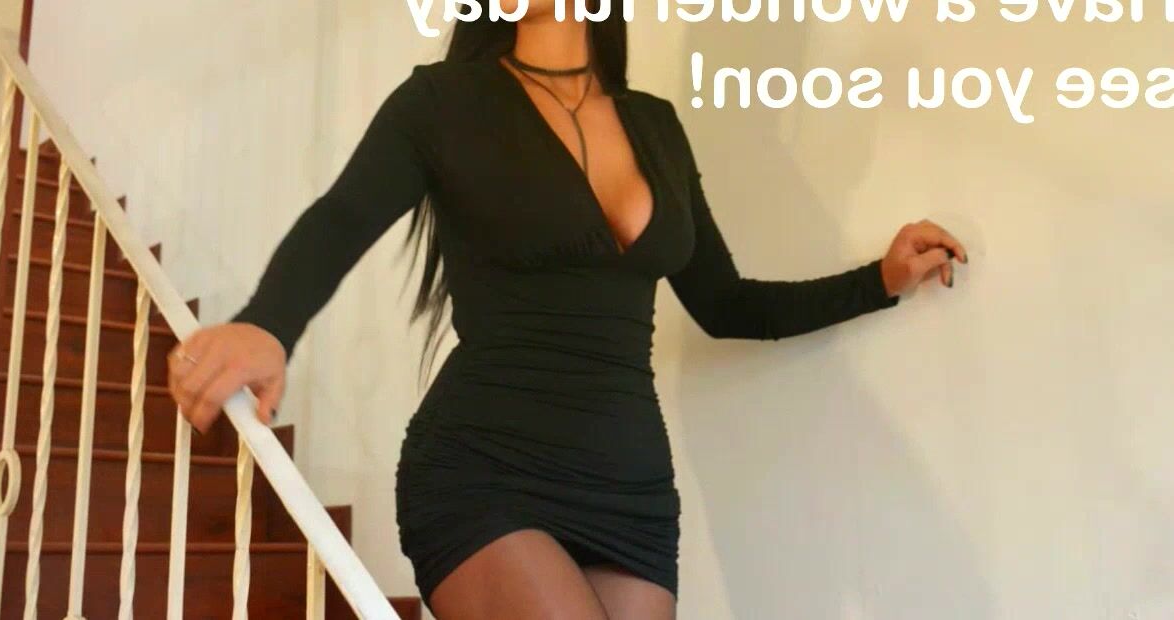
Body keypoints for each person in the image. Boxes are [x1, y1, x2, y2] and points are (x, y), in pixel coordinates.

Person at [166, 2, 967, 618]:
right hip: (486, 470)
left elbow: (725, 304)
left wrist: (878, 281)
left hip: (631, 491)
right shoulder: (442, 102)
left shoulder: (656, 126)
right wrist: (269, 323)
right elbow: (343, 217)